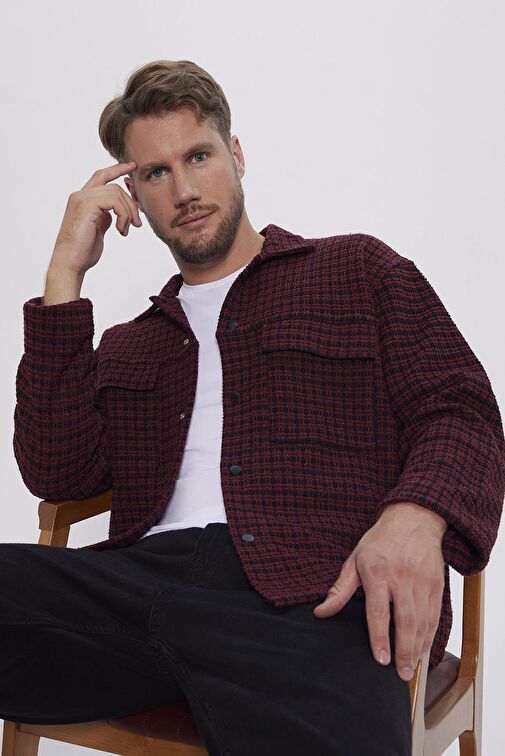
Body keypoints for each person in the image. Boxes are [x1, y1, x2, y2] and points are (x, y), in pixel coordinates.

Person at [5, 59, 505, 756]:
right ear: (134, 197)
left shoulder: (358, 271)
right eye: (156, 173)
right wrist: (65, 274)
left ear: (235, 155)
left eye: (198, 156)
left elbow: (461, 409)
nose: (184, 190)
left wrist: (415, 515)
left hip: (312, 601)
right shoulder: (130, 344)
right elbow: (57, 472)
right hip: (132, 594)